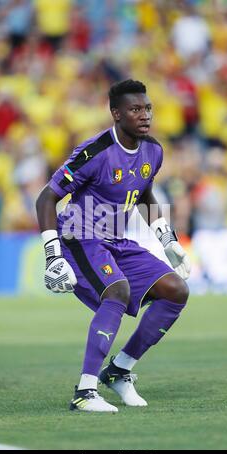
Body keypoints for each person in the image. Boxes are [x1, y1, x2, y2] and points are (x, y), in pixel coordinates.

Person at [36, 79, 191, 413]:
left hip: (117, 239)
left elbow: (144, 192)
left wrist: (168, 240)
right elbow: (46, 197)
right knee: (116, 291)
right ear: (116, 114)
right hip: (79, 235)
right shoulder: (95, 152)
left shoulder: (154, 150)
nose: (144, 115)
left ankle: (119, 371)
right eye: (135, 109)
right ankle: (85, 391)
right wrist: (52, 255)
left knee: (175, 290)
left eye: (147, 108)